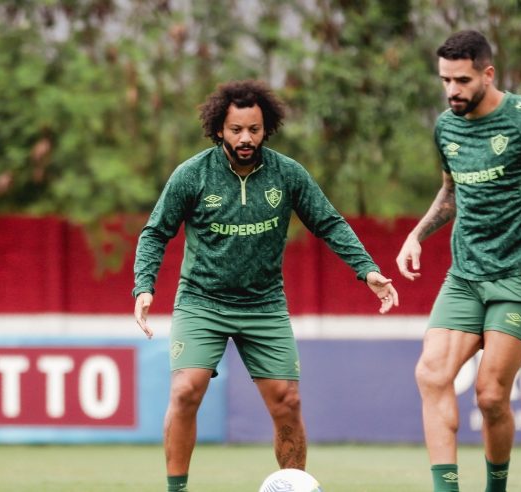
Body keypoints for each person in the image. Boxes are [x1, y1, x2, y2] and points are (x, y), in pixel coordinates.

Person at [132, 79, 398, 492]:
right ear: (219, 128)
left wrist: (367, 269)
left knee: (287, 402)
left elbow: (328, 222)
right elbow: (154, 233)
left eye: (253, 129)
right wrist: (144, 285)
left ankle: (293, 488)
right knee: (186, 391)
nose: (245, 138)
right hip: (202, 301)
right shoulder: (192, 175)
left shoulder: (287, 174)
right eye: (236, 129)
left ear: (266, 128)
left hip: (264, 305)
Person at [395, 30, 521, 492]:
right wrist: (416, 235)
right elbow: (451, 192)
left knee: (489, 395)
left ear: (488, 74)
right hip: (465, 275)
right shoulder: (446, 126)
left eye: (462, 80)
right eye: (445, 79)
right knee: (431, 374)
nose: (452, 90)